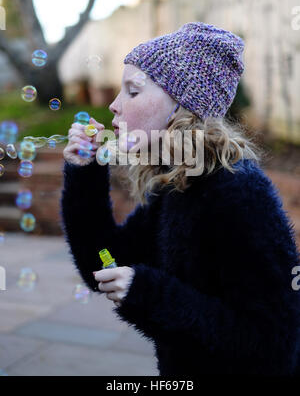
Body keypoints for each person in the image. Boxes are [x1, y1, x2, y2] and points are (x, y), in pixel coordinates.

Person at [60, 22, 300, 376]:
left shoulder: (239, 196)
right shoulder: (176, 186)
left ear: (182, 107)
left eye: (133, 91)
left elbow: (271, 345)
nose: (113, 105)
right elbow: (104, 261)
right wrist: (85, 177)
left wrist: (150, 293)